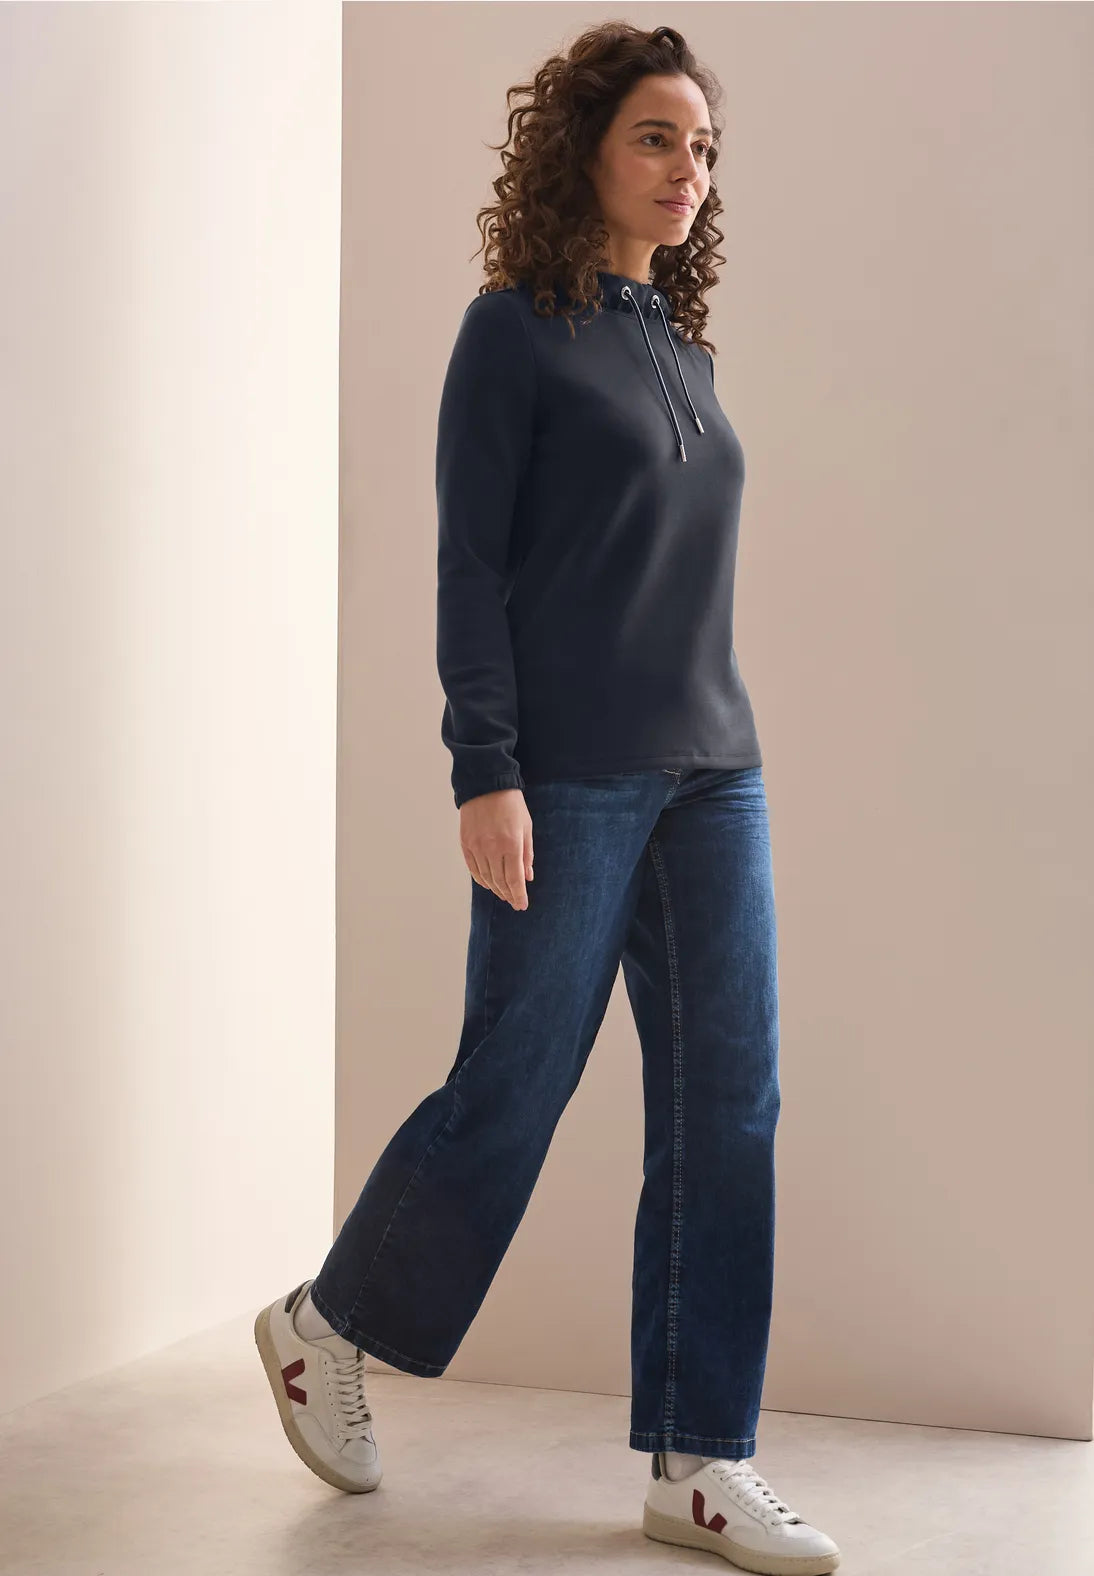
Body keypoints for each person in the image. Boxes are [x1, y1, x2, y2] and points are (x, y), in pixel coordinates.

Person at [255, 21, 840, 1574]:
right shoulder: (510, 334)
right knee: (514, 1079)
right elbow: (470, 570)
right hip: (567, 773)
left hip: (716, 772)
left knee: (730, 1104)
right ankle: (328, 1326)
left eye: (702, 148)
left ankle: (698, 1460)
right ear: (581, 147)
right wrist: (485, 771)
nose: (685, 169)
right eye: (655, 136)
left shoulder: (685, 356)